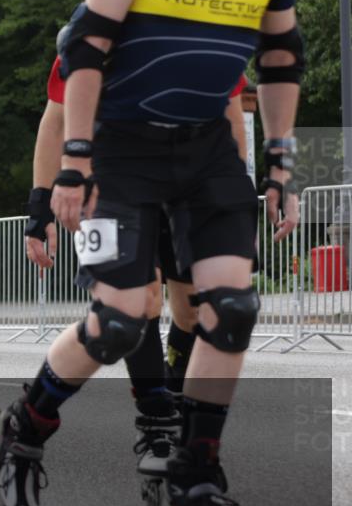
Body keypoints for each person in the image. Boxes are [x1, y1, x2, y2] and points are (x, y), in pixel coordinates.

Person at [0, 0, 302, 506]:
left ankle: (195, 474)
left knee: (232, 308)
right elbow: (86, 46)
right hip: (120, 148)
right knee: (122, 321)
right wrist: (63, 177)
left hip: (207, 150)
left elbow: (279, 55)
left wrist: (279, 164)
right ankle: (26, 426)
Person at [24, 57, 250, 478]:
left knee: (196, 310)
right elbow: (54, 122)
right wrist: (39, 208)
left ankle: (176, 398)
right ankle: (158, 422)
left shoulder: (205, 29)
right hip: (109, 184)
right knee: (131, 310)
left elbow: (232, 116)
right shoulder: (95, 30)